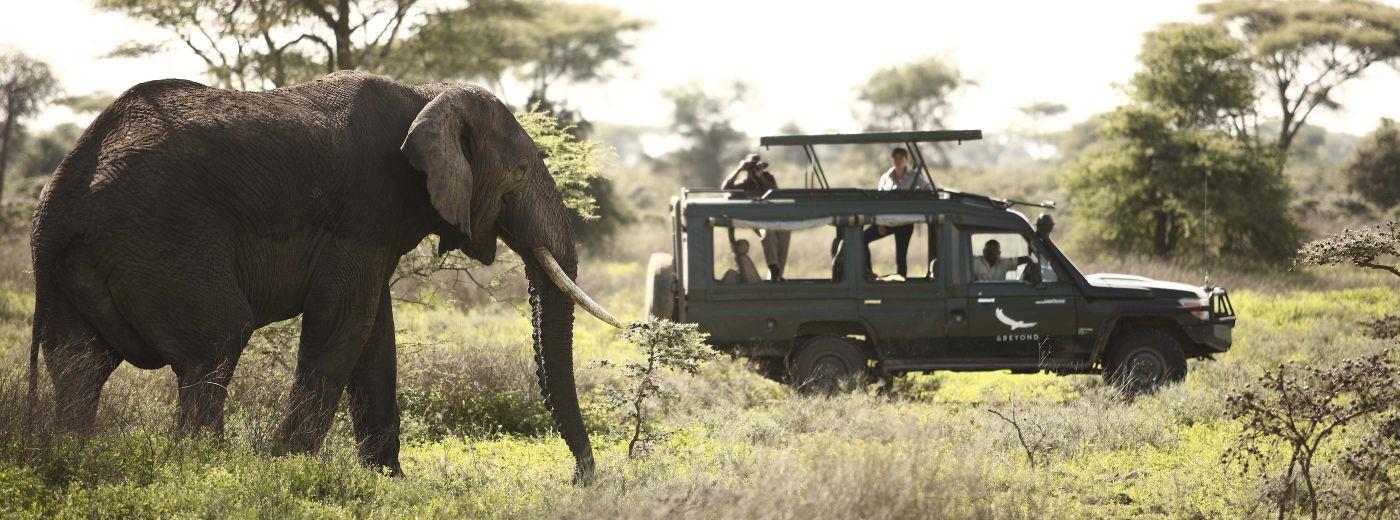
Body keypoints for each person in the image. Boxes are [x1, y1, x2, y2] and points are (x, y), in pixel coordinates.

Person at [862, 147, 931, 278]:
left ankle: (901, 283)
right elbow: (879, 201)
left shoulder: (914, 176)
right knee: (863, 238)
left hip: (904, 223)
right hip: (887, 221)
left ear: (906, 160)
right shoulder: (885, 177)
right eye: (895, 158)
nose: (898, 161)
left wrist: (917, 198)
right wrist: (880, 222)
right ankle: (868, 274)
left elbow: (927, 188)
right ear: (892, 159)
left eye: (901, 158)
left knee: (901, 256)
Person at [720, 154, 789, 280]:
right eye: (751, 167)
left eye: (757, 165)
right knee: (768, 231)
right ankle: (773, 267)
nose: (754, 169)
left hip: (773, 216)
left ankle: (777, 276)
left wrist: (761, 176)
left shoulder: (767, 177)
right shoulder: (743, 183)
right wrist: (739, 169)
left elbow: (775, 192)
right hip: (757, 218)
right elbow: (725, 188)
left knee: (785, 232)